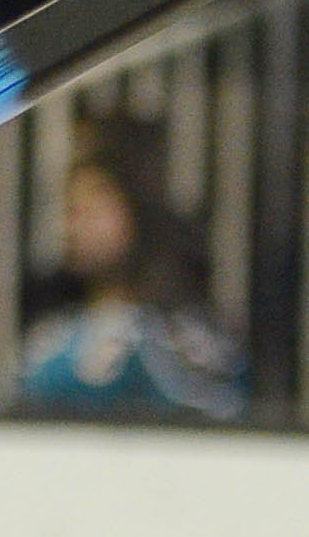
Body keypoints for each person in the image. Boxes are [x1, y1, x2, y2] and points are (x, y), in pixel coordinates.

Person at [16, 121, 245, 419]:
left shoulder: (183, 336)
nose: (75, 227)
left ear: (137, 211)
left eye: (93, 210)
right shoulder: (51, 333)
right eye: (72, 210)